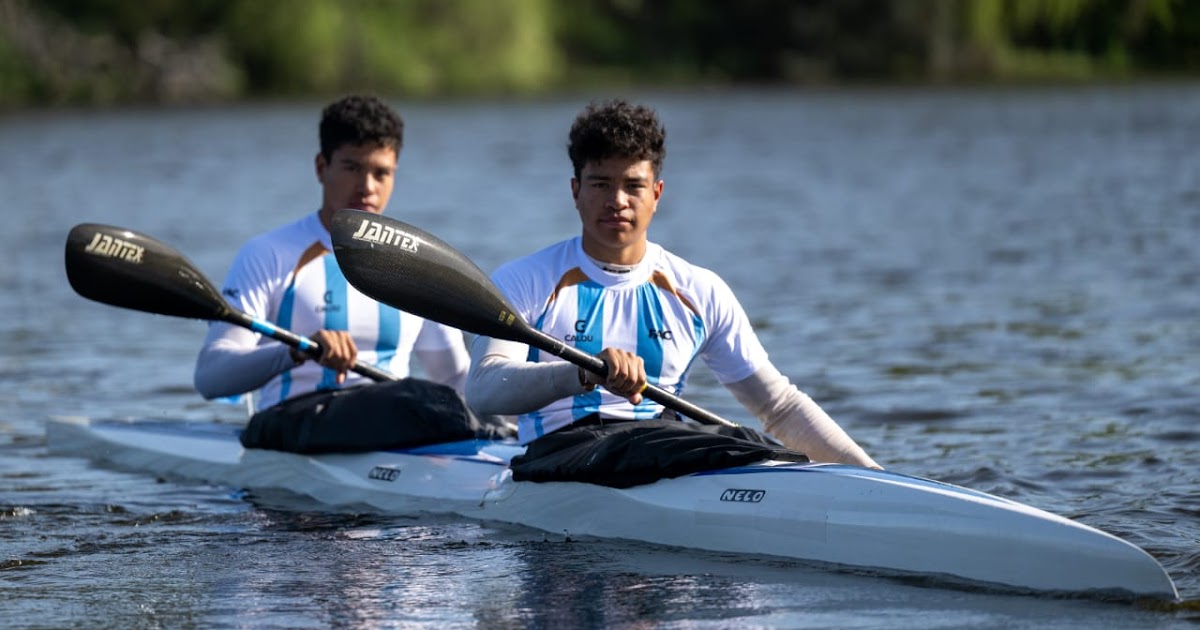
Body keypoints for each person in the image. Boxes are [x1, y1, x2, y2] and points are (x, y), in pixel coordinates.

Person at [466, 99, 880, 469]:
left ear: (657, 193)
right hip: (559, 453)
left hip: (666, 449)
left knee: (754, 443)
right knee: (724, 444)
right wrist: (580, 373)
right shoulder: (526, 280)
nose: (618, 201)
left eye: (633, 186)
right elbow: (484, 390)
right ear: (575, 192)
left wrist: (872, 478)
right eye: (600, 184)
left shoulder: (699, 290)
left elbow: (780, 407)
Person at [194, 94, 470, 416]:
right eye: (352, 168)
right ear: (322, 168)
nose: (367, 186)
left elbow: (455, 379)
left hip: (394, 425)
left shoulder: (416, 264)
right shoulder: (268, 255)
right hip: (294, 422)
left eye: (381, 173)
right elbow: (210, 376)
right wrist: (298, 351)